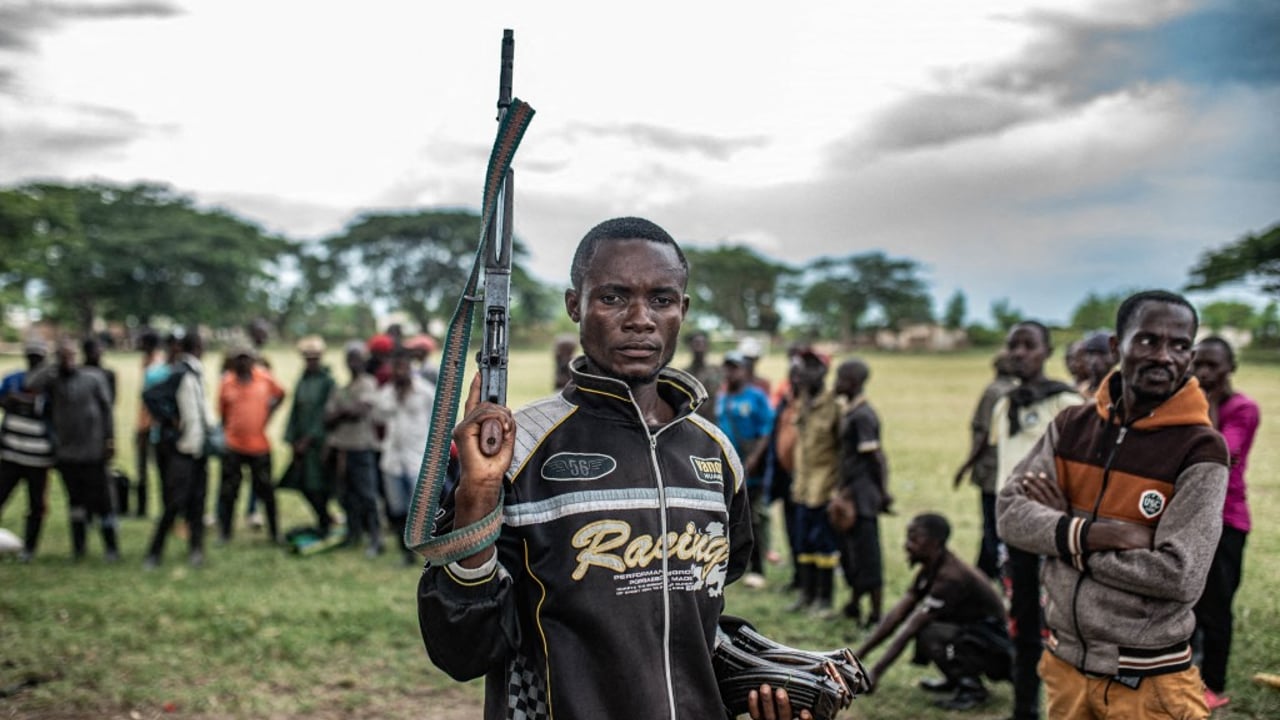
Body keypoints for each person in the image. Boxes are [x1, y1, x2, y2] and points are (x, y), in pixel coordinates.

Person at [418, 216, 807, 720]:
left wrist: (763, 687)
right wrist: (477, 493)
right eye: (613, 297)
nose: (640, 319)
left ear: (683, 310)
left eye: (662, 300)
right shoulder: (520, 449)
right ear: (574, 304)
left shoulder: (714, 453)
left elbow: (695, 621)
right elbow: (462, 650)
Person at [997, 290, 1228, 720]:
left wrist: (1063, 541)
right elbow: (1010, 515)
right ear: (1116, 345)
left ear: (1191, 357)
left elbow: (1178, 575)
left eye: (1179, 345)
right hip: (1066, 665)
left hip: (1148, 678)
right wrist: (1097, 533)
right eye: (1148, 340)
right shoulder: (1072, 425)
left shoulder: (1201, 449)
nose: (1164, 356)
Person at [990, 320, 1082, 720]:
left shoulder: (1067, 403)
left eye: (1029, 345)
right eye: (1014, 345)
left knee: (1061, 623)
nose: (1019, 353)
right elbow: (1001, 466)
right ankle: (1024, 707)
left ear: (1047, 352)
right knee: (1022, 620)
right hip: (1013, 532)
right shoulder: (1005, 404)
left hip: (1053, 531)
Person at [855, 514, 1012, 712]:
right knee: (931, 630)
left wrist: (875, 673)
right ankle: (955, 680)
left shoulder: (951, 576)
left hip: (998, 648)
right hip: (976, 636)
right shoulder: (932, 567)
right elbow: (896, 615)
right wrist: (855, 657)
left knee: (930, 633)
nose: (907, 545)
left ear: (934, 543)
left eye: (915, 539)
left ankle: (971, 688)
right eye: (908, 538)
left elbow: (910, 628)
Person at [1191, 336, 1259, 710]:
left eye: (1212, 365)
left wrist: (1209, 403)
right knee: (1184, 605)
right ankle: (1182, 678)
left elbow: (1218, 453)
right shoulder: (1184, 405)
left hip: (1226, 521)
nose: (1203, 372)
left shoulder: (1243, 409)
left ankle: (1212, 685)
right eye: (1198, 364)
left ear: (1230, 367)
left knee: (1215, 608)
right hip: (1188, 519)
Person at [26, 338, 118, 561]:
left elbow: (107, 410)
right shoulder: (55, 380)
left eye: (71, 355)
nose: (68, 360)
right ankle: (79, 547)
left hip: (94, 451)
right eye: (64, 356)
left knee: (103, 502)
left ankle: (111, 548)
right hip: (67, 453)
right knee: (76, 502)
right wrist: (53, 364)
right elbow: (31, 383)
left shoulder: (93, 377)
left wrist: (110, 440)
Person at [144, 331, 216, 568]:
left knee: (198, 502)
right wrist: (170, 420)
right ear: (196, 347)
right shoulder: (180, 373)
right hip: (182, 449)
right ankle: (154, 553)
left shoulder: (196, 372)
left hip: (198, 449)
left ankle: (196, 549)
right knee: (174, 502)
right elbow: (150, 395)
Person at [833, 358, 891, 628]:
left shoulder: (863, 416)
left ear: (853, 383)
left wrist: (883, 492)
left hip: (863, 495)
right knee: (852, 553)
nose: (835, 384)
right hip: (850, 492)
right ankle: (854, 603)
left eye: (840, 379)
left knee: (869, 556)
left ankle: (876, 614)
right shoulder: (851, 412)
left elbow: (876, 458)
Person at [952, 351, 1017, 579]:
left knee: (991, 525)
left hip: (991, 470)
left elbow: (984, 434)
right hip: (1009, 469)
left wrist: (966, 465)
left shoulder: (993, 392)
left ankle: (997, 572)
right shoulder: (1016, 390)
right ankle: (983, 572)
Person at [787, 347, 842, 615]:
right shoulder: (801, 401)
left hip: (825, 487)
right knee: (803, 543)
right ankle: (806, 595)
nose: (805, 372)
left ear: (824, 371)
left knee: (824, 547)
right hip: (802, 487)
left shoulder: (835, 405)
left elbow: (842, 449)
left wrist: (839, 490)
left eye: (812, 366)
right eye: (803, 366)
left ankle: (824, 599)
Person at [216, 342, 285, 543]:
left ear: (253, 360)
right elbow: (223, 412)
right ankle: (225, 532)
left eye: (246, 358)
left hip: (259, 446)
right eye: (239, 359)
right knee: (229, 492)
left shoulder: (264, 378)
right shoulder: (227, 382)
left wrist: (268, 413)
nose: (243, 363)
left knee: (266, 491)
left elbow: (281, 394)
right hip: (233, 446)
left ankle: (274, 533)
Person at [716, 350, 775, 588]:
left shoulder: (756, 397)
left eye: (735, 368)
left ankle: (758, 567)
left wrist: (752, 459)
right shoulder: (722, 397)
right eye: (728, 367)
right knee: (729, 517)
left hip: (750, 469)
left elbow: (766, 431)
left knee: (752, 518)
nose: (731, 373)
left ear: (744, 371)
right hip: (727, 468)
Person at [372, 348, 435, 565]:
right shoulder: (386, 393)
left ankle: (427, 550)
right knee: (397, 509)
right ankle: (405, 552)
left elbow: (437, 422)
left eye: (403, 367)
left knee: (420, 508)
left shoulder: (425, 392)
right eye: (395, 367)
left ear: (410, 367)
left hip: (418, 459)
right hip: (392, 461)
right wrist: (397, 397)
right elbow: (377, 416)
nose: (399, 372)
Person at [325, 341, 382, 556]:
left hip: (362, 447)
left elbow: (360, 411)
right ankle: (353, 533)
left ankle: (376, 538)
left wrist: (341, 413)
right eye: (350, 359)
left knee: (367, 495)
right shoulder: (341, 388)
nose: (353, 363)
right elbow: (327, 419)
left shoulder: (368, 383)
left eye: (357, 358)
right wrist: (345, 412)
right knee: (346, 495)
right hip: (342, 448)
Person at [0, 339, 55, 562]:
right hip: (11, 450)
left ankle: (29, 549)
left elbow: (45, 408)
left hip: (38, 455)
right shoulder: (13, 378)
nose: (34, 359)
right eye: (31, 355)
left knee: (36, 504)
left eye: (38, 356)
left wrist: (21, 401)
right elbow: (5, 400)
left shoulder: (51, 383)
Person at [281, 336, 337, 535]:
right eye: (308, 357)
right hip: (300, 441)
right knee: (301, 482)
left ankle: (325, 520)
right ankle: (323, 518)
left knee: (319, 484)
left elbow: (325, 413)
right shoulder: (302, 380)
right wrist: (291, 438)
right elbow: (295, 410)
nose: (311, 361)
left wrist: (309, 438)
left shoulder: (328, 381)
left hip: (319, 442)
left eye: (314, 357)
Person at [132, 330, 166, 518]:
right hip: (142, 423)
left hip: (153, 425)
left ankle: (164, 507)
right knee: (141, 468)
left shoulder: (157, 365)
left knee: (160, 467)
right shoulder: (145, 362)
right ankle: (141, 508)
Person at [683, 329, 720, 423]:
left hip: (712, 421)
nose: (700, 347)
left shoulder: (716, 371)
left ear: (707, 347)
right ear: (690, 346)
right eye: (696, 343)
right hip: (691, 421)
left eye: (703, 343)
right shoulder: (684, 374)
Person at [1075, 331, 1116, 400]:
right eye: (1090, 354)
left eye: (1101, 354)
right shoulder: (1082, 389)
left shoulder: (1118, 390)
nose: (1094, 361)